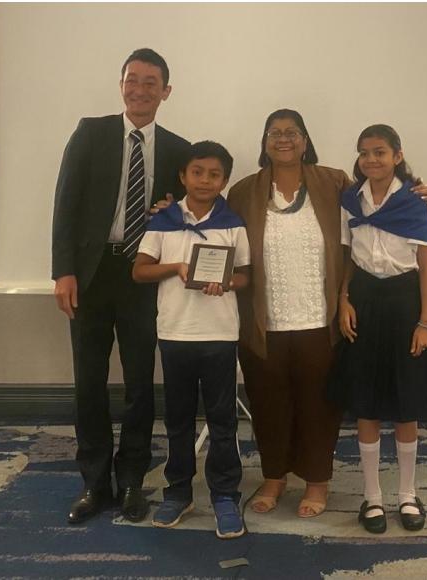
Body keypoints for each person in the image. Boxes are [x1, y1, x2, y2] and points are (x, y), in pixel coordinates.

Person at [226, 110, 427, 519]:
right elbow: (215, 223)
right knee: (267, 402)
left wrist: (416, 190)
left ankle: (317, 482)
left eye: (292, 132)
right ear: (264, 141)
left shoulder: (333, 182)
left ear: (305, 141)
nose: (283, 139)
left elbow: (375, 206)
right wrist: (170, 209)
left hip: (320, 319)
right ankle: (274, 477)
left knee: (319, 405)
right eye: (274, 132)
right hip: (264, 320)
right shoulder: (244, 191)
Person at [51, 48, 189, 524]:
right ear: (121, 85)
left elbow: (190, 216)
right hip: (90, 276)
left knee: (139, 384)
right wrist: (63, 271)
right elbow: (65, 204)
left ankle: (131, 479)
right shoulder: (91, 133)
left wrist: (171, 214)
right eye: (132, 79)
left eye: (151, 82)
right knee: (88, 381)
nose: (140, 89)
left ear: (165, 92)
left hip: (141, 278)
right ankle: (94, 481)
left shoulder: (179, 149)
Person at [329, 124, 427, 533]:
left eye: (379, 152)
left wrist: (425, 323)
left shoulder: (415, 202)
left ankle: (407, 495)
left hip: (403, 303)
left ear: (397, 156)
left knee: (404, 404)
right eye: (364, 153)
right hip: (363, 300)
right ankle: (373, 497)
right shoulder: (350, 200)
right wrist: (344, 299)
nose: (371, 160)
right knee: (366, 403)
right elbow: (348, 256)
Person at [132, 141, 251, 539]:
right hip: (175, 333)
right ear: (183, 176)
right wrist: (177, 267)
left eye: (214, 174)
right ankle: (178, 492)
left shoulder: (233, 223)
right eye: (197, 172)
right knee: (179, 419)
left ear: (224, 181)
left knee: (222, 420)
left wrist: (225, 282)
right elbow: (140, 271)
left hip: (220, 333)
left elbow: (245, 276)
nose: (204, 180)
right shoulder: (163, 220)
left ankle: (225, 495)